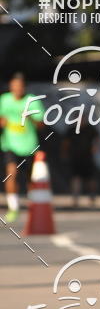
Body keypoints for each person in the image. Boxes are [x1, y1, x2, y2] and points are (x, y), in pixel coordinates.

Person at [0, 73, 45, 222]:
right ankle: (14, 207)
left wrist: (30, 117)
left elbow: (42, 124)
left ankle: (34, 208)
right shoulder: (4, 100)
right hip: (10, 145)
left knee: (30, 179)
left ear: (24, 87)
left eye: (20, 87)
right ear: (11, 87)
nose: (17, 89)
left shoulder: (32, 101)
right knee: (11, 173)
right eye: (14, 87)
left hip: (29, 145)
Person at [63, 115, 99, 208]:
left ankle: (92, 198)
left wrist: (95, 148)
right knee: (75, 178)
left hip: (87, 158)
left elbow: (97, 139)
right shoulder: (71, 130)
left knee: (90, 179)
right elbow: (66, 143)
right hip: (75, 158)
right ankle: (75, 199)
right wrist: (65, 154)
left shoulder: (90, 129)